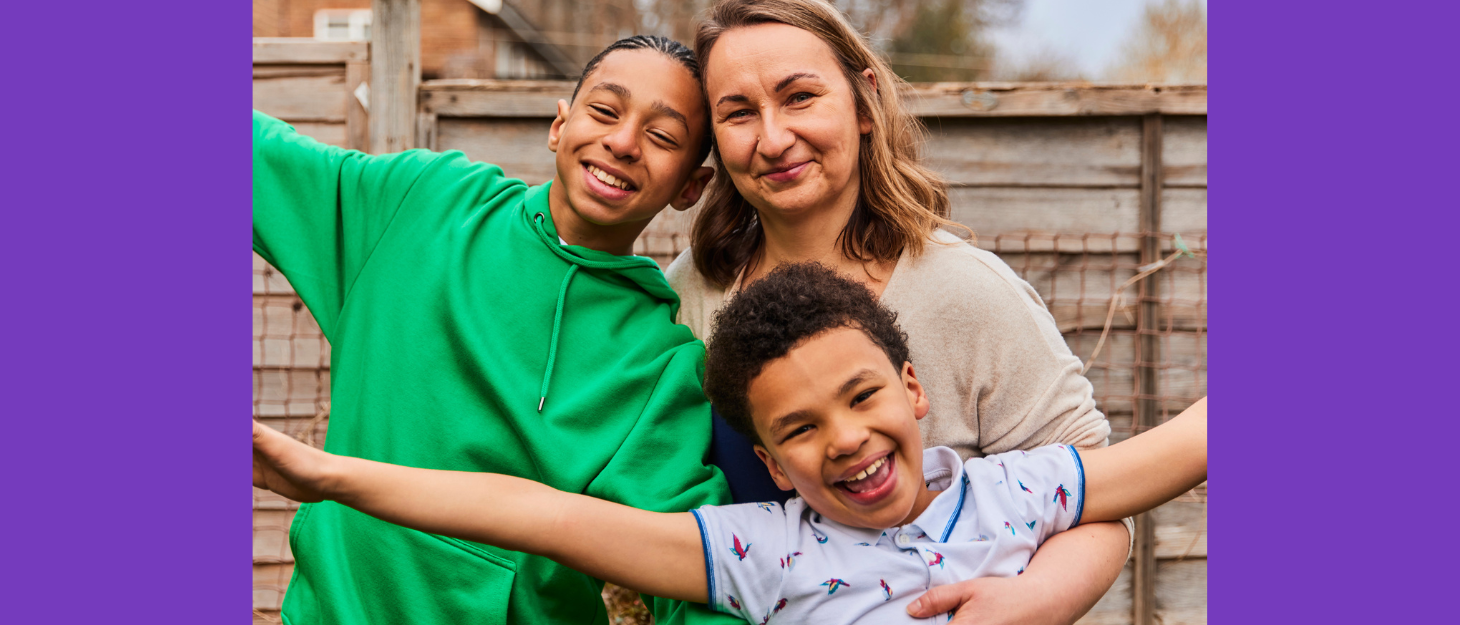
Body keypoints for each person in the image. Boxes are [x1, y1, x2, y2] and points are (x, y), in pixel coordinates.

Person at [251, 263, 1209, 625]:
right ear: (774, 462)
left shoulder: (1016, 491)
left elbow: (1186, 443)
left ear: (914, 391)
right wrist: (326, 474)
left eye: (863, 395)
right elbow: (538, 512)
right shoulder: (763, 549)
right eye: (798, 428)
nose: (845, 439)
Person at [664, 1, 1135, 620]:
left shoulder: (968, 292)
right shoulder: (689, 295)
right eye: (739, 113)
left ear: (863, 101)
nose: (773, 139)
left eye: (800, 96)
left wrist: (1035, 601)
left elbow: (1100, 492)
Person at [252, 35, 742, 625]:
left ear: (691, 187)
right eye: (604, 112)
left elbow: (702, 574)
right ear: (560, 125)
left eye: (662, 137)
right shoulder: (421, 205)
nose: (622, 142)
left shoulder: (656, 367)